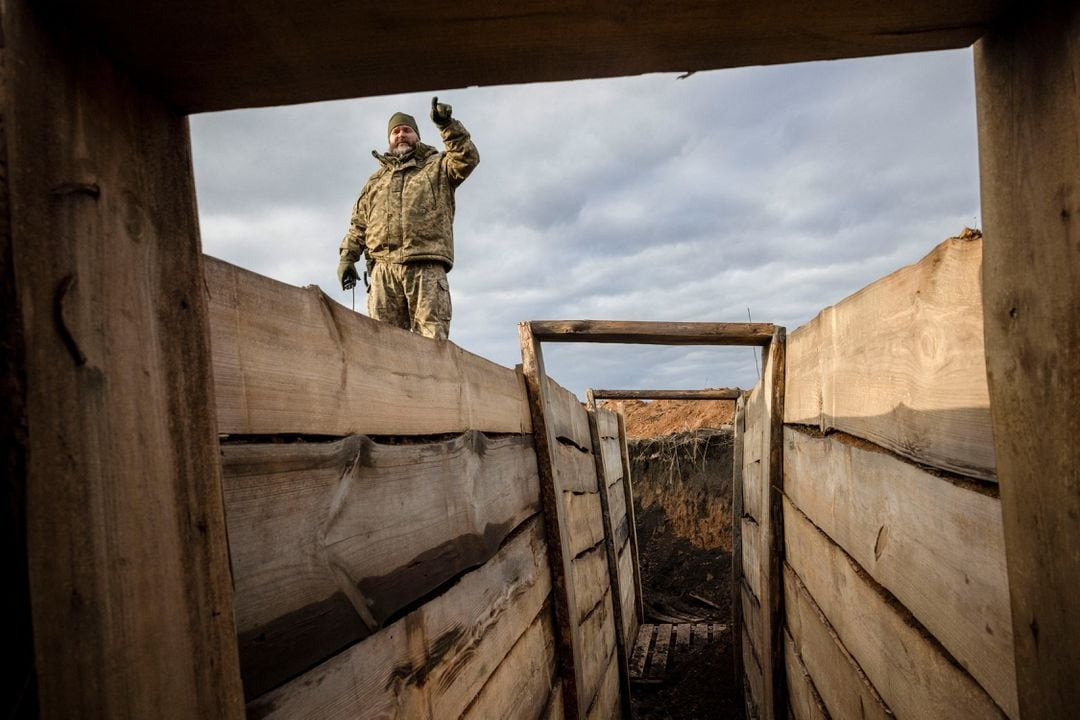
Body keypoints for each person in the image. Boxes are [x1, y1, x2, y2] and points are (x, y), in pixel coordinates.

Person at [337, 97, 479, 340]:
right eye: (395, 131)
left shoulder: (438, 166)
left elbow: (467, 159)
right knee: (383, 344)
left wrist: (447, 125)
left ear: (417, 136)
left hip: (425, 266)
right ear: (389, 140)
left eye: (406, 130)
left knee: (432, 342)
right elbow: (359, 226)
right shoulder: (375, 181)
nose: (401, 134)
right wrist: (347, 259)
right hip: (383, 272)